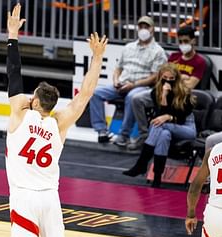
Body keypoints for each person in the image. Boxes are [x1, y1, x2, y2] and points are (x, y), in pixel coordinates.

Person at [5, 4, 107, 237]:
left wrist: (13, 36)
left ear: (35, 100)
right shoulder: (60, 122)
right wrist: (96, 57)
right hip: (50, 199)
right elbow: (87, 92)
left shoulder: (19, 115)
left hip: (23, 199)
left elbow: (13, 75)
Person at [88, 16, 167, 145]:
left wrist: (133, 85)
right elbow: (118, 68)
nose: (143, 29)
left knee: (132, 97)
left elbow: (155, 77)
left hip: (142, 87)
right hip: (122, 83)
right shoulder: (128, 47)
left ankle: (123, 135)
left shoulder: (158, 52)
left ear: (152, 29)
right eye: (141, 26)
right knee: (95, 93)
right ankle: (102, 131)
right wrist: (115, 80)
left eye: (146, 27)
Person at [129, 26, 207, 150]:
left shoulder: (199, 61)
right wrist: (184, 77)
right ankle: (144, 134)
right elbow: (163, 77)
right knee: (136, 99)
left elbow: (191, 85)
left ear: (193, 41)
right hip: (163, 90)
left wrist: (176, 79)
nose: (183, 44)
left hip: (179, 96)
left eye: (186, 41)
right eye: (180, 41)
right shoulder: (173, 57)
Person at [123, 63, 196, 187]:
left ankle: (141, 164)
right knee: (163, 135)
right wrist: (163, 96)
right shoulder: (156, 92)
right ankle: (157, 178)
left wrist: (169, 116)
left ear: (176, 79)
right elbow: (160, 114)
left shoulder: (185, 93)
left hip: (186, 128)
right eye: (165, 78)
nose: (167, 81)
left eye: (171, 79)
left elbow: (183, 117)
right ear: (160, 77)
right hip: (166, 127)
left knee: (158, 126)